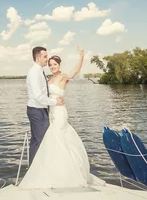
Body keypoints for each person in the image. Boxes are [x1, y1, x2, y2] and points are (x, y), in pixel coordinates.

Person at [19, 45, 92, 189]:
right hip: (48, 111)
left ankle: (64, 172)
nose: (51, 66)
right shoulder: (47, 78)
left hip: (58, 112)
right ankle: (47, 170)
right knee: (48, 141)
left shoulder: (63, 77)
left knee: (58, 139)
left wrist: (81, 54)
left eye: (54, 64)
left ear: (59, 65)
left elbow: (76, 70)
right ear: (38, 58)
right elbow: (38, 95)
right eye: (49, 63)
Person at [26, 46, 64, 166]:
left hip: (38, 110)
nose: (47, 59)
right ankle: (36, 170)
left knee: (36, 142)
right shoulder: (34, 73)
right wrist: (55, 102)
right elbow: (38, 97)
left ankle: (33, 169)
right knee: (41, 142)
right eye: (45, 56)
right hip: (37, 110)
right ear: (38, 58)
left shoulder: (38, 71)